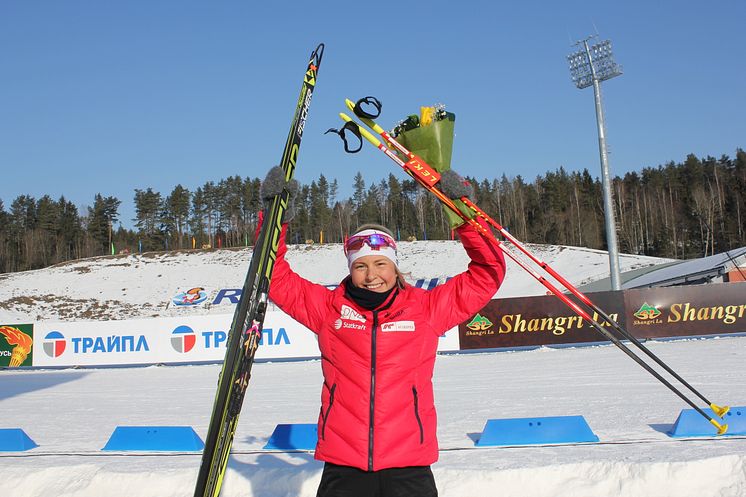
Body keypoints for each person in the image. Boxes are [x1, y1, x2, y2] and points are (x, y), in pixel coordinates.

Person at [260, 167, 506, 497]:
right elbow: (274, 276)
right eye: (360, 265)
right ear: (350, 268)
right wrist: (274, 219)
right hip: (344, 463)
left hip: (409, 465)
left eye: (380, 264)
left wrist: (464, 215)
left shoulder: (425, 309)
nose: (371, 274)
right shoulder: (328, 308)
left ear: (394, 266)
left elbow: (487, 273)